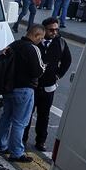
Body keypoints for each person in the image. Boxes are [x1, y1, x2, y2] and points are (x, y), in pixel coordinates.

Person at [0, 24, 46, 164]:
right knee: (19, 122)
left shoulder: (13, 45)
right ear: (36, 35)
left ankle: (1, 146)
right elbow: (38, 71)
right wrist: (44, 67)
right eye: (41, 38)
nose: (41, 41)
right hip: (24, 89)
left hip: (8, 88)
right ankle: (16, 153)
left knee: (6, 117)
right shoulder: (32, 48)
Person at [23, 17, 72, 151]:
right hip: (32, 87)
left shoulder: (60, 43)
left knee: (44, 116)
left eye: (56, 29)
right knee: (27, 114)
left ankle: (41, 141)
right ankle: (22, 140)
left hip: (49, 88)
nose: (54, 32)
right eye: (51, 30)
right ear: (44, 30)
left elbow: (67, 60)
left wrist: (58, 75)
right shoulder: (35, 42)